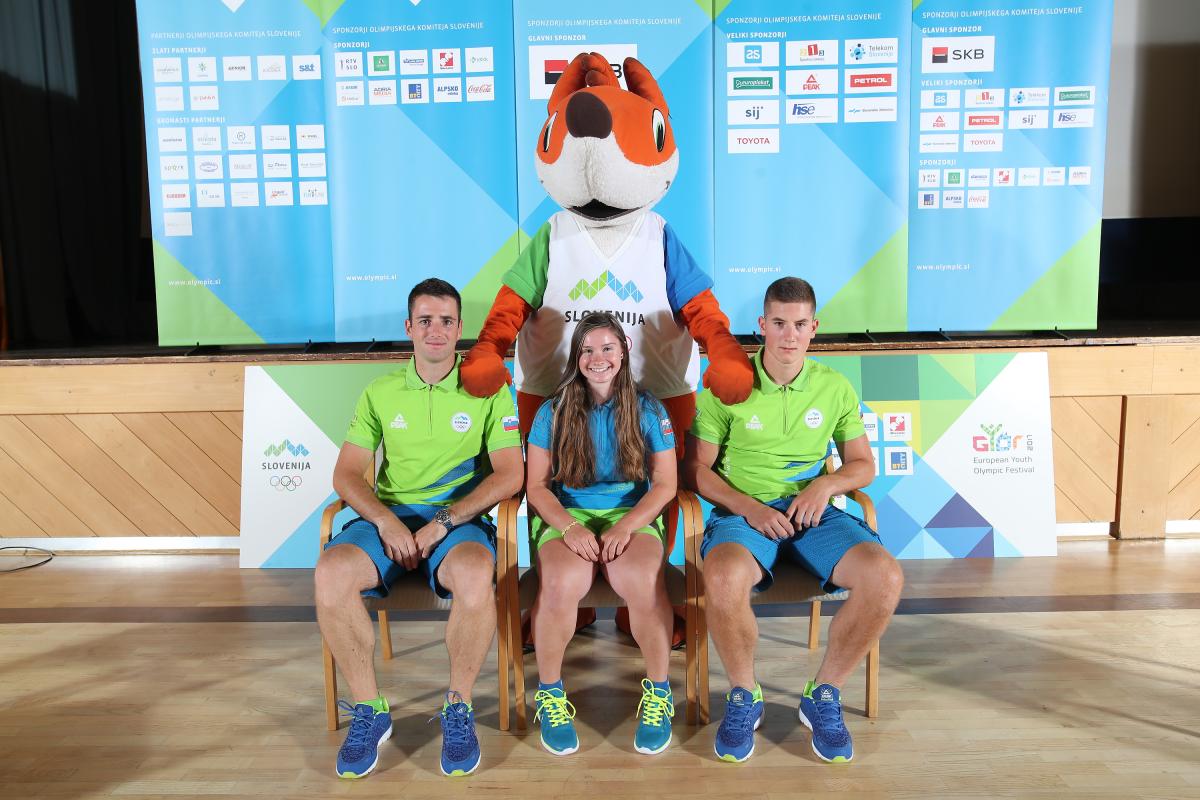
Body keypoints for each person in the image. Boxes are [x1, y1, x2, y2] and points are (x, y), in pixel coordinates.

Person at [683, 277, 904, 764]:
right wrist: (750, 507)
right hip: (745, 515)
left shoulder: (833, 386)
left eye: (800, 324)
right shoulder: (726, 385)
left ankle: (823, 694)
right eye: (779, 323)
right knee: (722, 577)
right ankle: (745, 694)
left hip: (813, 515)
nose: (789, 335)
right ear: (761, 325)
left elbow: (863, 465)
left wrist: (824, 486)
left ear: (814, 328)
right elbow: (695, 470)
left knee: (885, 577)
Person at [314, 278, 523, 779]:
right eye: (425, 320)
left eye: (446, 321)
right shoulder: (380, 391)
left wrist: (443, 521)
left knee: (475, 574)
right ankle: (370, 710)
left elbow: (510, 474)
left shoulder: (490, 390)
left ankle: (457, 707)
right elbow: (346, 474)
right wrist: (386, 521)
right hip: (389, 518)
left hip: (456, 522)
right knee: (330, 572)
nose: (436, 330)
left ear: (460, 328)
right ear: (409, 327)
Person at [524, 312, 678, 756]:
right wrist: (570, 527)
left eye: (608, 348)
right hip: (568, 514)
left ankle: (659, 693)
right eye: (587, 350)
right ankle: (551, 695)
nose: (598, 358)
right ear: (576, 357)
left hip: (630, 514)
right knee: (560, 582)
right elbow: (537, 487)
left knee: (642, 579)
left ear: (623, 352)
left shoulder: (649, 408)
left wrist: (627, 526)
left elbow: (665, 484)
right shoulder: (552, 410)